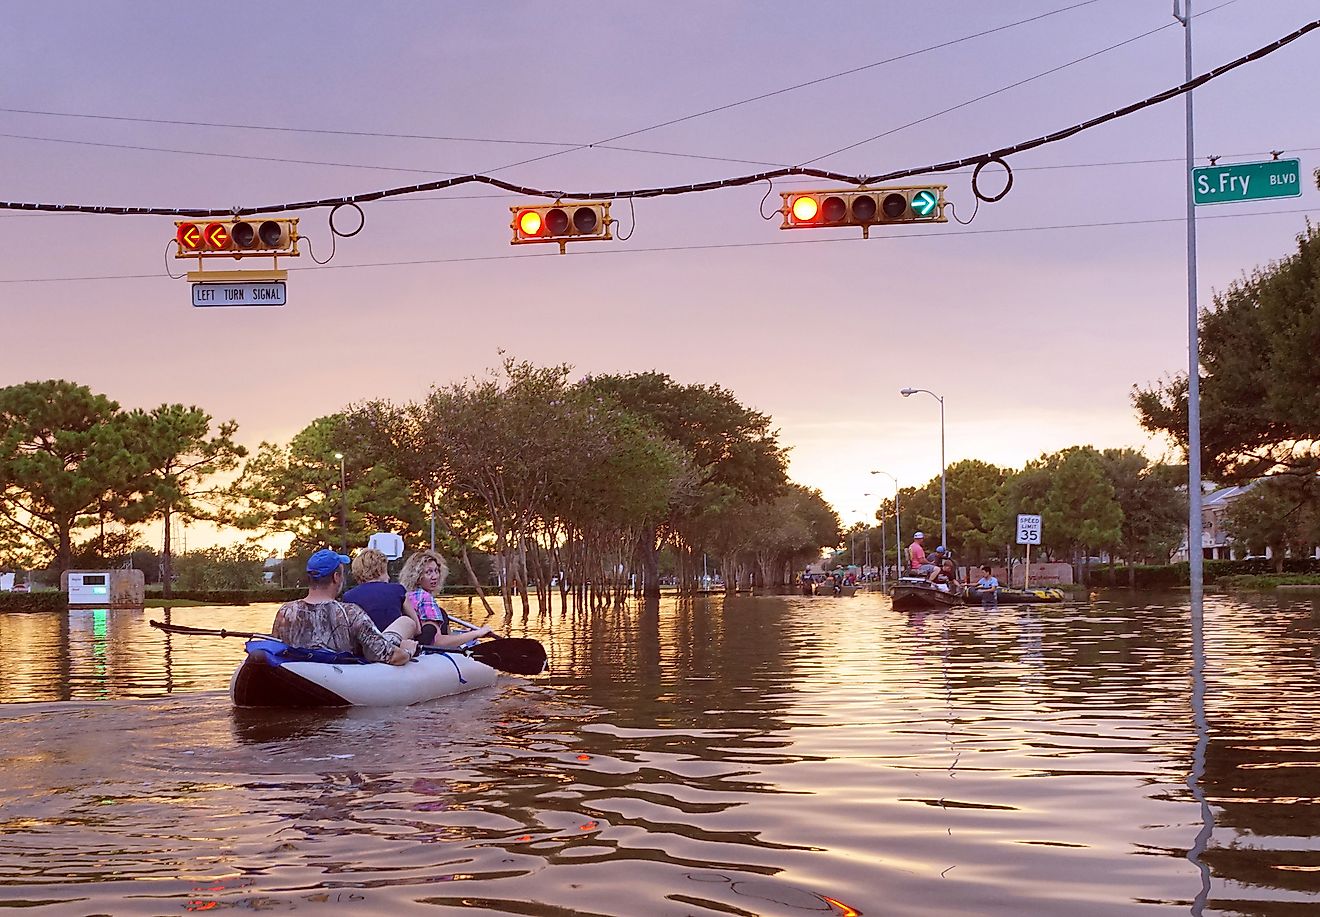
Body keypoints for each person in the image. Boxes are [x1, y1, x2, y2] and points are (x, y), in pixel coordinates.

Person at [272, 549, 419, 665]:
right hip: (342, 678)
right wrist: (407, 650)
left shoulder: (285, 612)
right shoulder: (350, 613)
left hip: (303, 672)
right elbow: (392, 656)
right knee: (406, 622)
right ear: (336, 577)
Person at [398, 549, 495, 650]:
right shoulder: (425, 598)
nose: (435, 576)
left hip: (411, 648)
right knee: (443, 614)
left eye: (436, 571)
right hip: (426, 653)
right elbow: (438, 642)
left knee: (442, 613)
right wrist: (477, 633)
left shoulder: (406, 595)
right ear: (417, 576)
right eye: (428, 572)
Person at [342, 547, 421, 632]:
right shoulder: (398, 590)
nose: (389, 577)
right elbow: (417, 628)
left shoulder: (348, 597)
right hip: (392, 642)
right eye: (386, 571)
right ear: (380, 570)